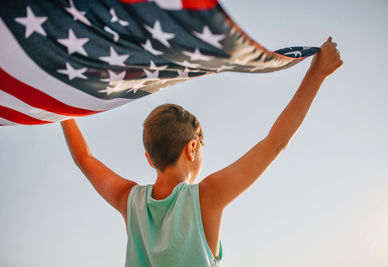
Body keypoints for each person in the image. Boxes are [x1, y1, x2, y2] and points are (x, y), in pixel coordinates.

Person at [61, 37, 343, 267]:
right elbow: (275, 143)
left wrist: (58, 107)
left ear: (149, 158)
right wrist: (317, 73)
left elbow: (84, 159)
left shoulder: (130, 200)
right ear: (192, 148)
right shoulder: (205, 197)